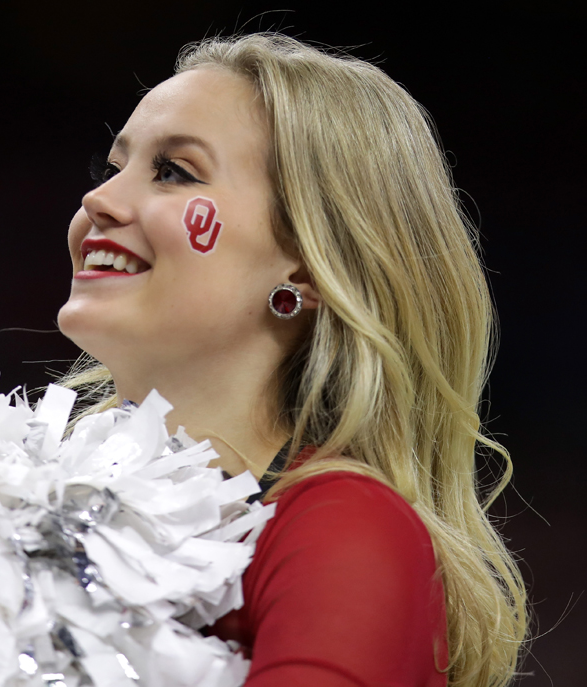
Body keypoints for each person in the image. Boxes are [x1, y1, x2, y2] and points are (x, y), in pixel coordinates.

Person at [56, 33, 528, 686]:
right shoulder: (27, 484)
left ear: (306, 264)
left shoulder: (348, 532)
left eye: (174, 172)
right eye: (115, 166)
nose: (98, 200)